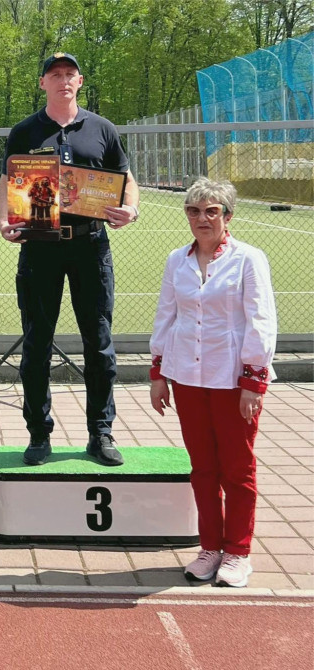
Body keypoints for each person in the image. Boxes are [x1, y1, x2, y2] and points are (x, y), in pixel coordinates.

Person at [0, 52, 141, 467]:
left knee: (99, 343)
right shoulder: (25, 131)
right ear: (43, 83)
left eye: (70, 74)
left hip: (90, 246)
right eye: (55, 74)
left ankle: (101, 432)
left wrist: (130, 209)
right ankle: (38, 434)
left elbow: (126, 180)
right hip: (39, 247)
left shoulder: (102, 129)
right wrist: (4, 220)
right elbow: (7, 184)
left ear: (80, 81)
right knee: (36, 344)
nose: (63, 80)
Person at [149, 178, 276, 588]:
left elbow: (261, 319)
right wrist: (158, 374)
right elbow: (166, 314)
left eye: (211, 211)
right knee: (202, 468)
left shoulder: (248, 259)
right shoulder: (176, 260)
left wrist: (253, 382)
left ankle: (238, 551)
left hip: (232, 378)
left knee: (237, 469)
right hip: (187, 377)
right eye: (194, 210)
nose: (202, 219)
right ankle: (210, 548)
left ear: (228, 216)